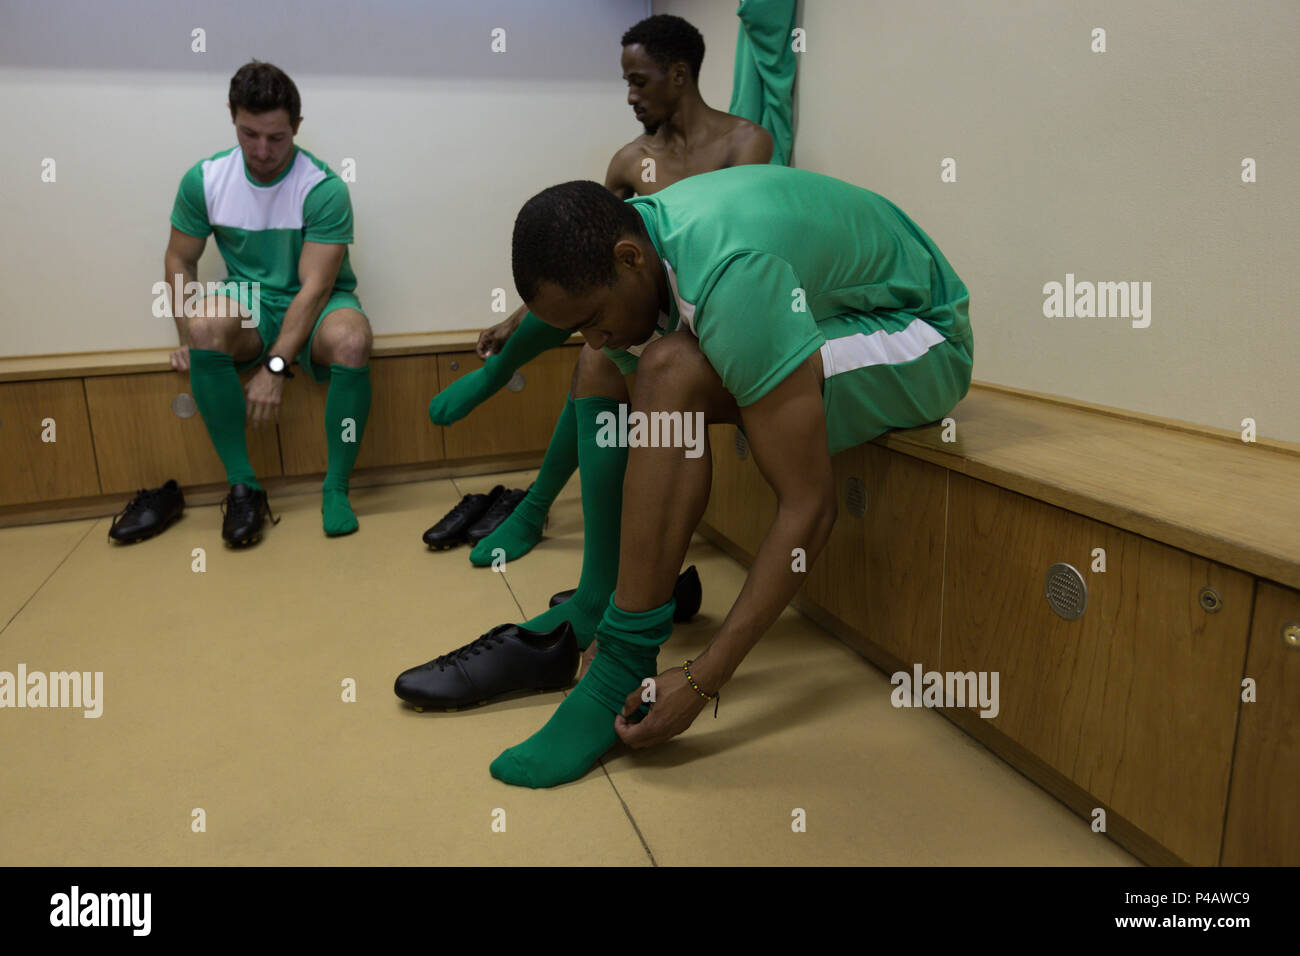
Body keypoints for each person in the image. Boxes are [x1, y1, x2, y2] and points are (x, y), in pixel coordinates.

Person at [483, 164, 973, 788]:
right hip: (834, 308)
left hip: (924, 337)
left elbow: (809, 505)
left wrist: (701, 679)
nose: (594, 332)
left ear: (629, 257)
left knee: (668, 368)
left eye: (594, 314)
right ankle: (602, 603)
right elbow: (620, 363)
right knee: (603, 363)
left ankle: (621, 661)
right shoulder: (648, 241)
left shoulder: (730, 273)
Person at [422, 14, 772, 572]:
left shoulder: (747, 143)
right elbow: (580, 261)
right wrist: (519, 317)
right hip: (633, 307)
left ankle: (535, 509)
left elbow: (737, 238)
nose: (630, 96)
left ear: (679, 75)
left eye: (640, 80)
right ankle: (498, 381)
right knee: (597, 344)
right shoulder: (630, 160)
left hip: (705, 308)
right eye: (625, 82)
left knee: (598, 356)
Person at [166, 61, 373, 546]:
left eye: (276, 137)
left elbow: (314, 289)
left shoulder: (323, 188)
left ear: (296, 127)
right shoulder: (205, 179)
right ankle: (244, 487)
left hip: (316, 301)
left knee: (352, 340)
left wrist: (276, 366)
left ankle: (337, 488)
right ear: (232, 118)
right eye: (249, 134)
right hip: (249, 298)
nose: (261, 151)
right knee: (202, 328)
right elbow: (179, 258)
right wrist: (184, 337)